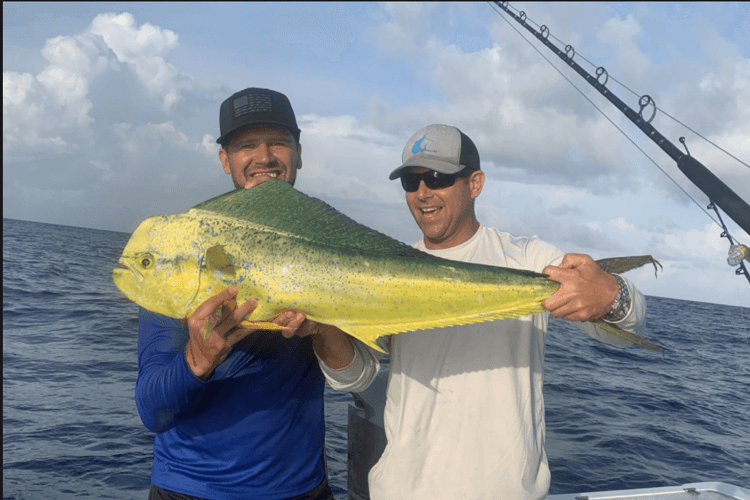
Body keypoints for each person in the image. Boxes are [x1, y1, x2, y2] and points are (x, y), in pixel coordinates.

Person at [315, 124, 647, 499]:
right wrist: (321, 326)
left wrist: (611, 294)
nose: (423, 193)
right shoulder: (387, 270)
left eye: (438, 178)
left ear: (475, 183)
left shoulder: (528, 258)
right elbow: (355, 378)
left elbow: (626, 324)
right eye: (411, 181)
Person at [136, 87, 353, 500]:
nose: (265, 156)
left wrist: (322, 329)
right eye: (246, 145)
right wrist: (197, 361)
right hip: (190, 490)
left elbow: (357, 377)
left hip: (301, 490)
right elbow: (153, 410)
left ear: (299, 153)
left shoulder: (327, 245)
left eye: (278, 142)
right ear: (225, 160)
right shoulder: (183, 252)